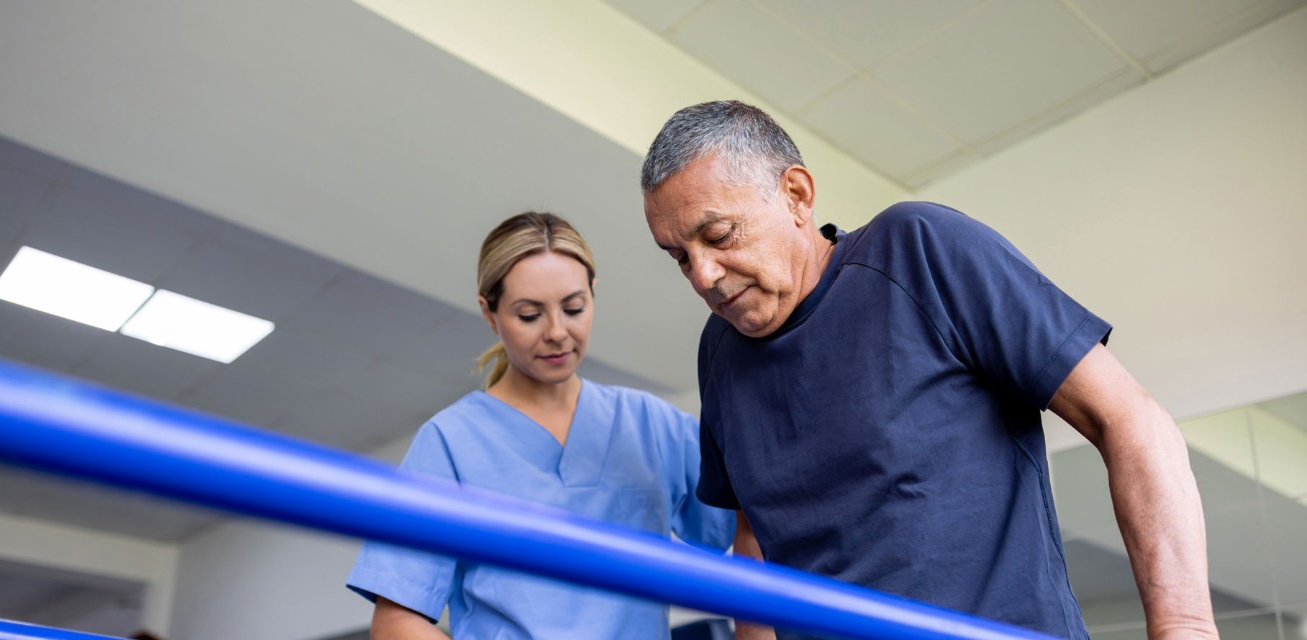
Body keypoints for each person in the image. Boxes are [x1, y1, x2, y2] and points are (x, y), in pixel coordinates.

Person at [639, 100, 1218, 640]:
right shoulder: (719, 351)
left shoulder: (917, 251)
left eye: (718, 236)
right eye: (679, 257)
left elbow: (1129, 419)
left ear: (795, 194)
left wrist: (1185, 627)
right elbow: (756, 544)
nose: (703, 276)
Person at [347, 212, 735, 639]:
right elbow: (395, 622)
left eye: (573, 308)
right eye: (529, 315)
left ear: (592, 295)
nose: (556, 332)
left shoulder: (649, 424)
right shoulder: (450, 443)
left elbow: (750, 525)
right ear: (490, 314)